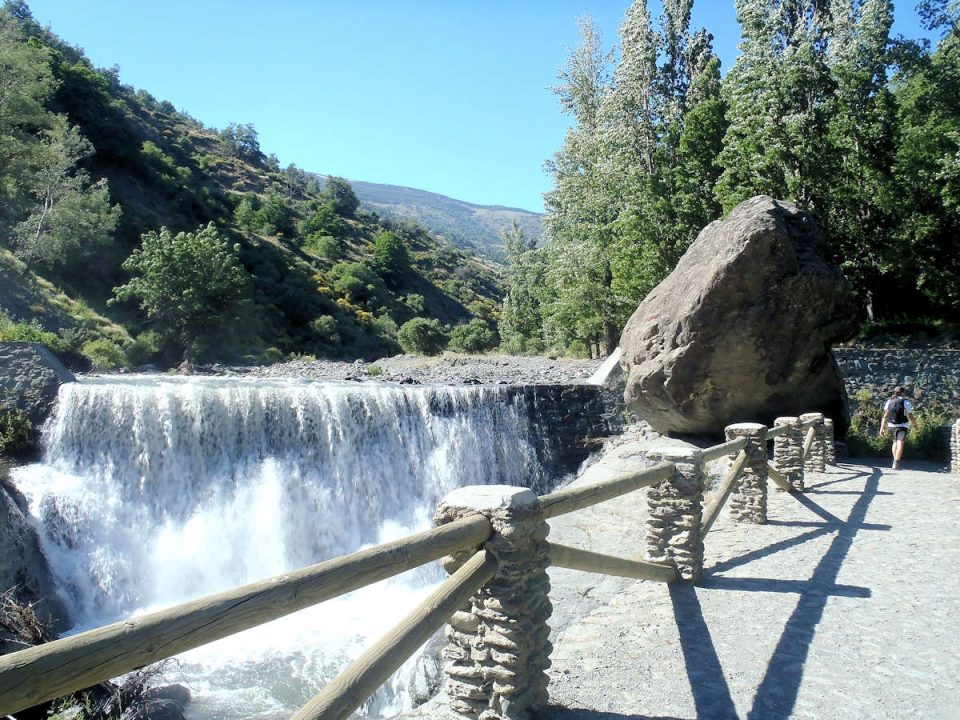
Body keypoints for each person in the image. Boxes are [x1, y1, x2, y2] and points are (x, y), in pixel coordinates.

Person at [879, 386, 919, 470]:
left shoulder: (889, 401)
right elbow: (911, 416)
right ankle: (896, 463)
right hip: (902, 425)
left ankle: (895, 461)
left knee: (894, 443)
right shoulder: (905, 402)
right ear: (903, 392)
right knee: (900, 443)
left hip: (891, 425)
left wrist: (882, 428)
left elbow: (884, 416)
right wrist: (915, 426)